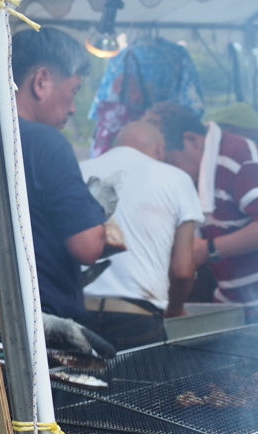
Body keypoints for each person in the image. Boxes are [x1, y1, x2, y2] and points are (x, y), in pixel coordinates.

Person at [0, 27, 114, 356]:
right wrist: (97, 213)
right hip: (47, 336)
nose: (73, 108)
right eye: (73, 91)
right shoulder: (46, 142)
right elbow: (87, 247)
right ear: (41, 81)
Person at [146, 101, 258, 322]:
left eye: (169, 161)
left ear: (191, 140)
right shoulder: (191, 177)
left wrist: (209, 249)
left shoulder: (237, 157)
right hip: (240, 305)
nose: (168, 171)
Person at [80, 121, 204, 348]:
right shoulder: (176, 179)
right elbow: (183, 271)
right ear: (160, 150)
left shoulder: (79, 170)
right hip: (137, 318)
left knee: (76, 384)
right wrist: (175, 309)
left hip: (74, 316)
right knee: (138, 384)